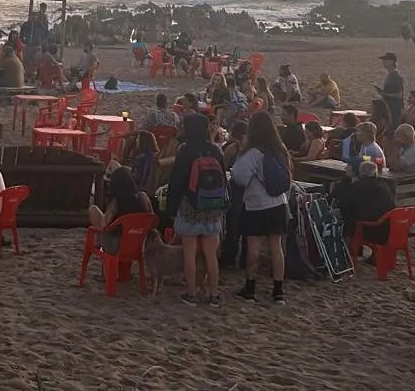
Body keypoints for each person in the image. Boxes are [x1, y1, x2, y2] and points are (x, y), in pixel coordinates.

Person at [164, 113, 227, 307]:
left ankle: (191, 293)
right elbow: (223, 178)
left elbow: (176, 181)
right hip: (212, 207)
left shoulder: (185, 150)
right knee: (210, 254)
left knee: (189, 253)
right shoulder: (215, 150)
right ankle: (214, 294)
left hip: (190, 206)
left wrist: (171, 208)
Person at [230, 111, 292, 304]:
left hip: (256, 204)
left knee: (253, 247)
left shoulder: (253, 152)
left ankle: (250, 289)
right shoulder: (280, 148)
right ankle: (278, 291)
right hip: (279, 203)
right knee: (276, 247)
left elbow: (239, 177)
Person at [86, 166, 153, 254]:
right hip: (138, 245)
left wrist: (107, 211)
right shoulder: (143, 197)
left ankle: (98, 241)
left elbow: (103, 225)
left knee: (93, 209)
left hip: (116, 247)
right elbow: (151, 219)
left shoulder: (116, 202)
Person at [335, 159, 396, 250]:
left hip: (369, 230)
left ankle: (343, 250)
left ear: (360, 173)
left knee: (341, 217)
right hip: (386, 228)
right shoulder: (384, 185)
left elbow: (344, 205)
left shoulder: (357, 187)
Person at [390, 123, 415, 198]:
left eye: (397, 136)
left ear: (405, 137)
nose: (395, 139)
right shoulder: (404, 148)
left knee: (390, 196)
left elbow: (396, 166)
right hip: (407, 183)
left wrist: (395, 148)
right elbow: (391, 164)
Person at [377, 52, 404, 125]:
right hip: (388, 106)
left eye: (385, 60)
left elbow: (399, 95)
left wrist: (385, 94)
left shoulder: (397, 77)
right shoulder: (390, 75)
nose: (383, 62)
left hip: (393, 109)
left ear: (392, 62)